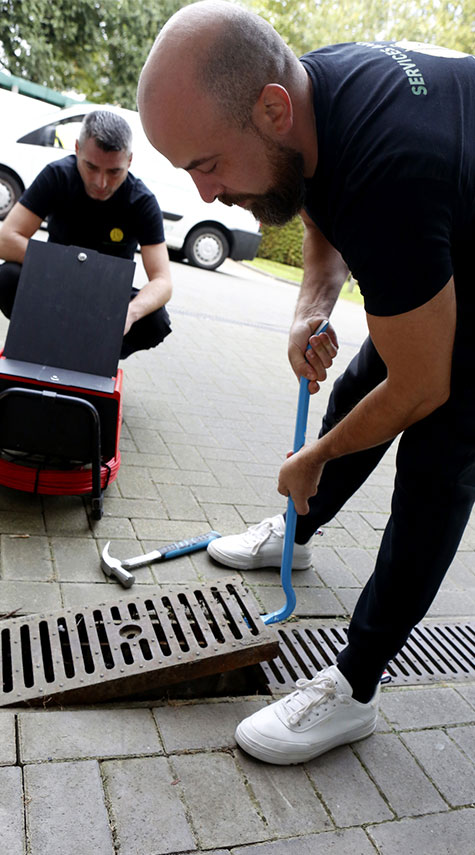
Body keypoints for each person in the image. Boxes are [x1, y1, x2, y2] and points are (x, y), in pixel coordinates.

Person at [137, 1, 475, 765]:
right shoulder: (312, 94)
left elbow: (421, 386)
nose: (204, 198)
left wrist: (313, 456)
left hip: (446, 196)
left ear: (271, 109)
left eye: (207, 163)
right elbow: (319, 202)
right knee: (366, 380)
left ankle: (353, 687)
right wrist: (310, 307)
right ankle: (296, 533)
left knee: (439, 451)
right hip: (445, 195)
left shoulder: (391, 168)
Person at [0, 110, 172, 359]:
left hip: (107, 299)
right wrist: (69, 267)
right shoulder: (57, 176)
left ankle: (94, 354)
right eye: (91, 167)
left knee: (156, 320)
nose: (101, 182)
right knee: (7, 277)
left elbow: (163, 282)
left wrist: (130, 313)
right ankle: (42, 338)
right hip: (53, 283)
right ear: (77, 149)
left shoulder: (141, 201)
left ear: (130, 161)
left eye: (114, 172)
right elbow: (6, 239)